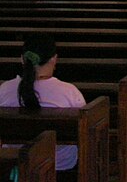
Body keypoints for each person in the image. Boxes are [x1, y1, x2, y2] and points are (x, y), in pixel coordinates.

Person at [0, 33, 86, 172]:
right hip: (60, 163)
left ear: (22, 59)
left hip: (16, 163)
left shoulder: (4, 90)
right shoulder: (69, 92)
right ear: (54, 59)